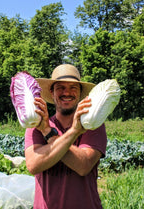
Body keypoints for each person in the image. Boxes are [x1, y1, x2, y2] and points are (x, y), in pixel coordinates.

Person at [25, 64, 107, 209]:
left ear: (80, 93)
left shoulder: (92, 125)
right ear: (52, 92)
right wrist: (49, 130)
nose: (66, 92)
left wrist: (49, 133)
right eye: (60, 88)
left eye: (73, 87)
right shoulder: (36, 126)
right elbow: (33, 165)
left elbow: (84, 166)